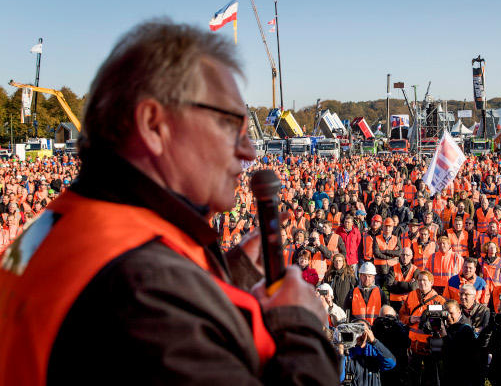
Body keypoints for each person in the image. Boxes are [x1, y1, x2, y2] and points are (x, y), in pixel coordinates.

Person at [0, 21, 338, 384]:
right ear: (154, 125)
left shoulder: (61, 224)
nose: (247, 151)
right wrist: (300, 325)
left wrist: (217, 280)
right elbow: (150, 312)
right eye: (230, 125)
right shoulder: (145, 290)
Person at [399, 270, 446, 385]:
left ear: (431, 282)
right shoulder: (411, 295)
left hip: (431, 345)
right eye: (419, 280)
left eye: (424, 280)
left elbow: (442, 324)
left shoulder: (439, 300)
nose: (421, 283)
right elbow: (401, 315)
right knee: (413, 376)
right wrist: (410, 319)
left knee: (431, 376)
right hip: (414, 344)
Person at [339, 319, 397, 386]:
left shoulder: (373, 350)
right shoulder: (346, 351)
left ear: (370, 332)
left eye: (362, 330)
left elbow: (391, 363)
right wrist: (341, 352)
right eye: (356, 330)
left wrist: (374, 341)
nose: (359, 334)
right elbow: (339, 378)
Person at [441, 300, 482, 386]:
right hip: (450, 374)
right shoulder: (448, 326)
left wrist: (444, 335)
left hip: (463, 376)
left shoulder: (465, 328)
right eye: (446, 314)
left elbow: (455, 353)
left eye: (451, 313)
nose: (448, 317)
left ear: (459, 312)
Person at [385, 247, 419, 312]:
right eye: (403, 255)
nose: (405, 257)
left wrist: (396, 283)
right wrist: (408, 285)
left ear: (411, 256)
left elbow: (413, 287)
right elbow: (388, 286)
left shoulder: (415, 270)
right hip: (395, 303)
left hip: (410, 302)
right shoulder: (393, 268)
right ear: (400, 256)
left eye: (407, 255)